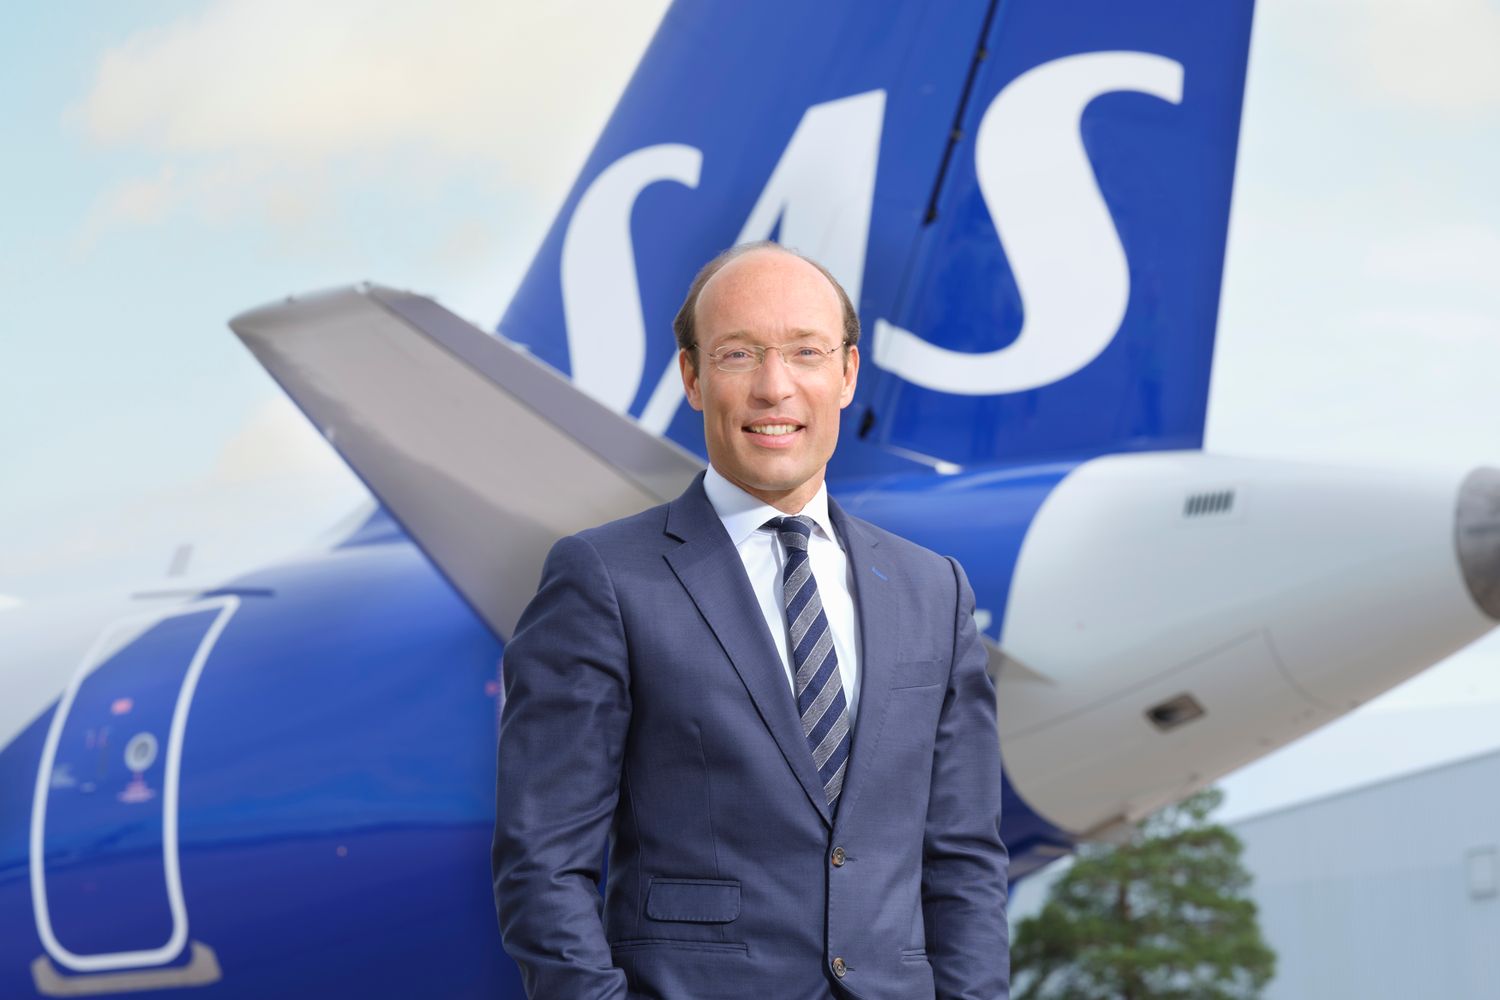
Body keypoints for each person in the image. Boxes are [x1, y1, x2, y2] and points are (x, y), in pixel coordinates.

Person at [492, 241, 1009, 999]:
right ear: (693, 378)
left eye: (806, 352)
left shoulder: (935, 591)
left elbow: (964, 861)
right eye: (739, 355)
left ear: (847, 374)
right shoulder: (604, 578)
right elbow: (542, 859)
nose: (776, 387)